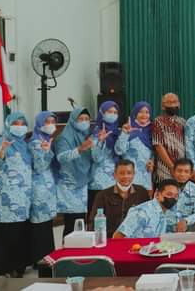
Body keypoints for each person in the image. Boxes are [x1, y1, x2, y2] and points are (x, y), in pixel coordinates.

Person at [0, 113, 32, 277]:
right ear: (8, 125)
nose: (19, 127)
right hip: (4, 194)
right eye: (15, 123)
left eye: (22, 123)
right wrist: (2, 152)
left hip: (23, 195)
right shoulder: (1, 142)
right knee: (5, 230)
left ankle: (19, 265)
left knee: (20, 230)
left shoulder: (25, 145)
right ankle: (5, 267)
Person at [55, 107, 93, 237]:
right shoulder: (64, 137)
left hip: (84, 181)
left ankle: (80, 248)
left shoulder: (87, 136)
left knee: (81, 221)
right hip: (69, 184)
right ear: (73, 120)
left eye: (87, 119)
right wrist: (79, 149)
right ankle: (68, 248)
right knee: (72, 223)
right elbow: (61, 157)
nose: (84, 122)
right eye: (80, 119)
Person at [88, 159, 150, 238]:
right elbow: (93, 223)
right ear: (114, 175)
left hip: (134, 238)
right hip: (110, 239)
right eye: (121, 173)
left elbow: (148, 218)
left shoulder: (142, 192)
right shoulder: (102, 195)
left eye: (129, 173)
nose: (125, 176)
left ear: (134, 174)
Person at [29, 111, 58, 267]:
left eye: (53, 121)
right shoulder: (36, 142)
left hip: (46, 187)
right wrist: (46, 151)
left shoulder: (45, 139)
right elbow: (39, 167)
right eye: (47, 121)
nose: (51, 125)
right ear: (40, 123)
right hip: (38, 188)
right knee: (40, 225)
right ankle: (40, 260)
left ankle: (47, 257)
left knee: (46, 225)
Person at [113, 179, 179, 238]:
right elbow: (118, 236)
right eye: (169, 194)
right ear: (157, 194)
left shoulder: (168, 212)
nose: (173, 198)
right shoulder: (142, 211)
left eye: (176, 196)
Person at [115, 102, 155, 192]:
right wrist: (125, 134)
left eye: (147, 112)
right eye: (140, 112)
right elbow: (119, 151)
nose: (144, 115)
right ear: (135, 113)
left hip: (146, 179)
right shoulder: (128, 128)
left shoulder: (152, 130)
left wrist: (152, 161)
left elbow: (154, 152)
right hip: (128, 177)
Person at [88, 101, 120, 213]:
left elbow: (121, 152)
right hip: (98, 183)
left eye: (115, 112)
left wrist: (125, 135)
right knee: (97, 218)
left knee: (113, 217)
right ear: (102, 113)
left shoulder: (117, 133)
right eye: (109, 111)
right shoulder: (95, 134)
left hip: (115, 182)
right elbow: (96, 158)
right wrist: (101, 141)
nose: (113, 114)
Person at [152, 93, 186, 184]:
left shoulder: (183, 122)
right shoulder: (158, 121)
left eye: (175, 102)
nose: (172, 105)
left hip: (181, 168)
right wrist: (171, 166)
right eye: (169, 102)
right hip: (165, 168)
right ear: (163, 106)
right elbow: (158, 145)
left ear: (179, 104)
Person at [168, 158, 195, 232]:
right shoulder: (164, 187)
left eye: (186, 171)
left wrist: (185, 221)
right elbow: (157, 211)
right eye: (179, 171)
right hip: (168, 225)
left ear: (190, 174)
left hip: (187, 225)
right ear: (173, 172)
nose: (182, 174)